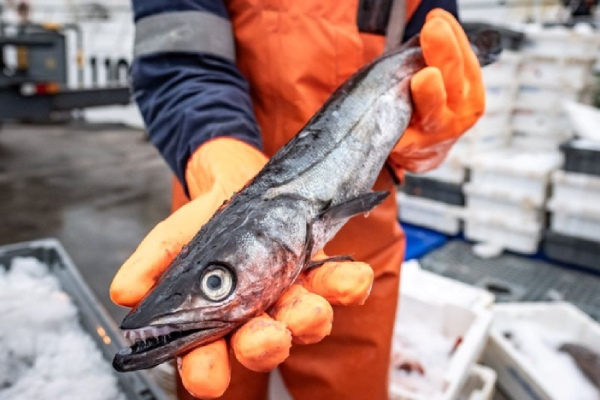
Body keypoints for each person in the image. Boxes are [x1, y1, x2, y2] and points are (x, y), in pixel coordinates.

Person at [110, 1, 485, 399]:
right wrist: (215, 145)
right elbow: (178, 55)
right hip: (213, 191)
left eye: (216, 282)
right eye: (217, 282)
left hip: (363, 232)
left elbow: (432, 43)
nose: (216, 284)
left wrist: (430, 125)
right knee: (217, 388)